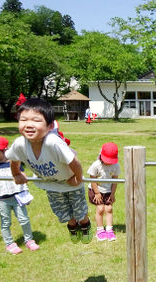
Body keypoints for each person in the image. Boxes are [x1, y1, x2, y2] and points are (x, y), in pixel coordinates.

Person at [6, 98, 92, 244]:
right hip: (51, 184)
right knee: (63, 213)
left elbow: (74, 161)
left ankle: (85, 225)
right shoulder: (19, 143)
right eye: (23, 120)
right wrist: (16, 173)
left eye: (36, 120)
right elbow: (14, 159)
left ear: (50, 125)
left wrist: (78, 177)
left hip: (71, 182)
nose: (28, 125)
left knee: (79, 210)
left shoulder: (53, 142)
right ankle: (72, 226)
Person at [0, 136, 39, 254]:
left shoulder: (15, 164)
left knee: (24, 219)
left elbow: (23, 180)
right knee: (5, 222)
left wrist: (26, 194)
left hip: (17, 198)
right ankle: (9, 243)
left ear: (5, 150)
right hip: (2, 201)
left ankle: (29, 240)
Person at [87, 142, 121, 242]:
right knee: (100, 209)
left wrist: (113, 194)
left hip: (108, 191)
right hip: (96, 190)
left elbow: (115, 180)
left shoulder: (116, 165)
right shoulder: (96, 165)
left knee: (109, 209)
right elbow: (92, 180)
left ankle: (109, 230)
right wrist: (97, 193)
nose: (109, 163)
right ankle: (100, 230)